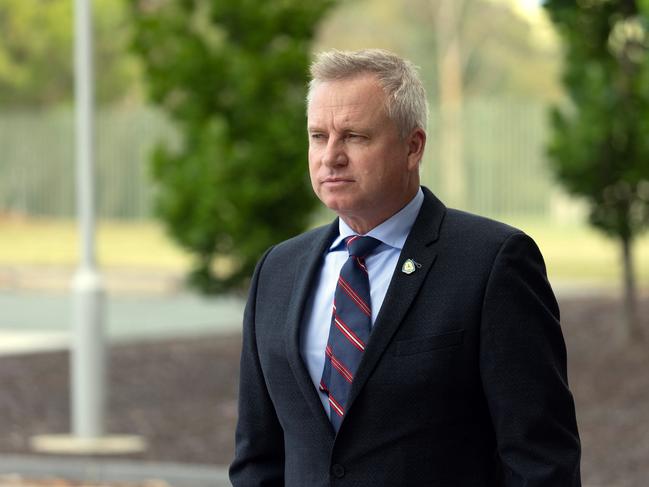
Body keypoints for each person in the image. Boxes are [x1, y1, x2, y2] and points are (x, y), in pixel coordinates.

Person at [229, 49, 581, 486]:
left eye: (354, 136)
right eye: (318, 136)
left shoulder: (493, 263)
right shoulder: (276, 271)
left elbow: (541, 460)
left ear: (413, 146)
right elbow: (257, 459)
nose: (331, 156)